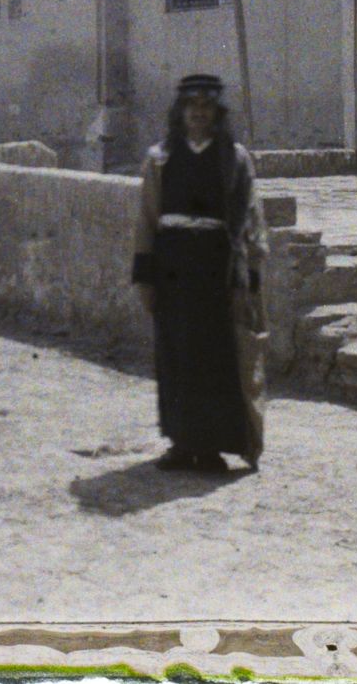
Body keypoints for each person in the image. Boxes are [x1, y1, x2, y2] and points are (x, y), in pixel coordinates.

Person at [131, 72, 268, 474]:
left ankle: (210, 448)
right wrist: (145, 278)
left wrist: (251, 276)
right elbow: (146, 220)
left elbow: (252, 220)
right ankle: (179, 443)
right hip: (173, 273)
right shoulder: (160, 158)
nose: (198, 114)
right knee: (175, 357)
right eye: (191, 107)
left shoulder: (235, 160)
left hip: (216, 272)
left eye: (206, 107)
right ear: (181, 112)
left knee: (215, 358)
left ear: (217, 113)